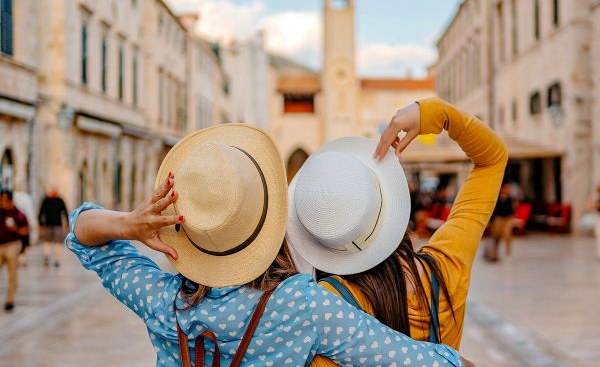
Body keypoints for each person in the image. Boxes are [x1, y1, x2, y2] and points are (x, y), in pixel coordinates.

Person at [67, 124, 468, 367]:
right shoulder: (302, 306)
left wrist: (130, 224)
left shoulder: (161, 301)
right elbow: (420, 361)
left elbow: (83, 233)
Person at [286, 97, 507, 365]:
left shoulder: (326, 309)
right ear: (387, 200)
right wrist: (437, 114)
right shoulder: (446, 266)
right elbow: (492, 159)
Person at [0, 190, 29, 311]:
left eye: (5, 200)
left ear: (11, 201)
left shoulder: (19, 214)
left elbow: (25, 231)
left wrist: (15, 229)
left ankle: (9, 300)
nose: (3, 203)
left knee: (12, 274)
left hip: (13, 244)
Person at [38, 188, 68, 267]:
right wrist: (67, 224)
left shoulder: (46, 200)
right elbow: (65, 212)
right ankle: (56, 260)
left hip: (47, 225)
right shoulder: (60, 200)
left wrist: (40, 225)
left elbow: (40, 213)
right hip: (58, 225)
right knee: (57, 243)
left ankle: (47, 255)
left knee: (47, 242)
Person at [487, 183, 515, 262]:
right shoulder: (497, 199)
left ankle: (508, 253)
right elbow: (494, 211)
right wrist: (491, 222)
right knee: (496, 236)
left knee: (507, 235)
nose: (507, 190)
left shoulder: (510, 199)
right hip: (498, 219)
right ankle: (495, 253)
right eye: (506, 188)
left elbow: (512, 210)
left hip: (507, 220)